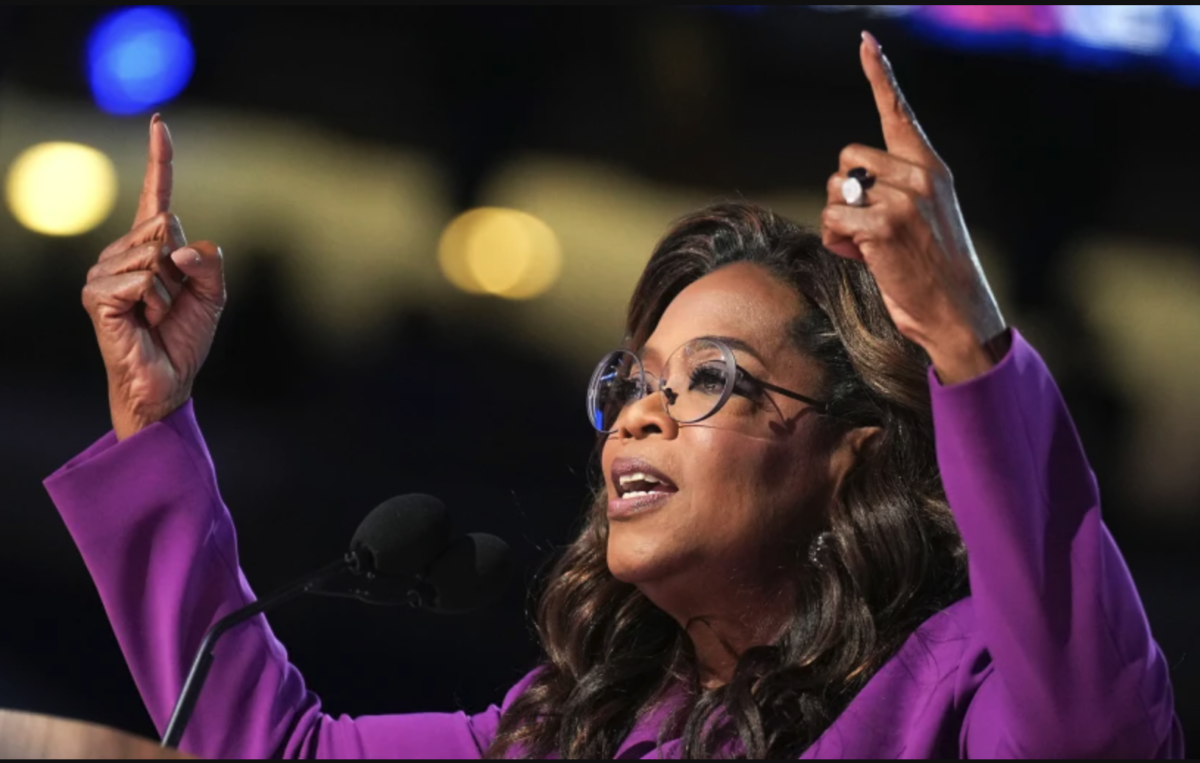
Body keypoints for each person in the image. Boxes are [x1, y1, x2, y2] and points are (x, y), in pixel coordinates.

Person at [45, 34, 1182, 759]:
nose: (640, 414)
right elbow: (267, 748)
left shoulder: (950, 690)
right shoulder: (569, 731)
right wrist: (153, 416)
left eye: (710, 381)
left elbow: (1099, 736)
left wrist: (967, 340)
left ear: (850, 452)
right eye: (635, 386)